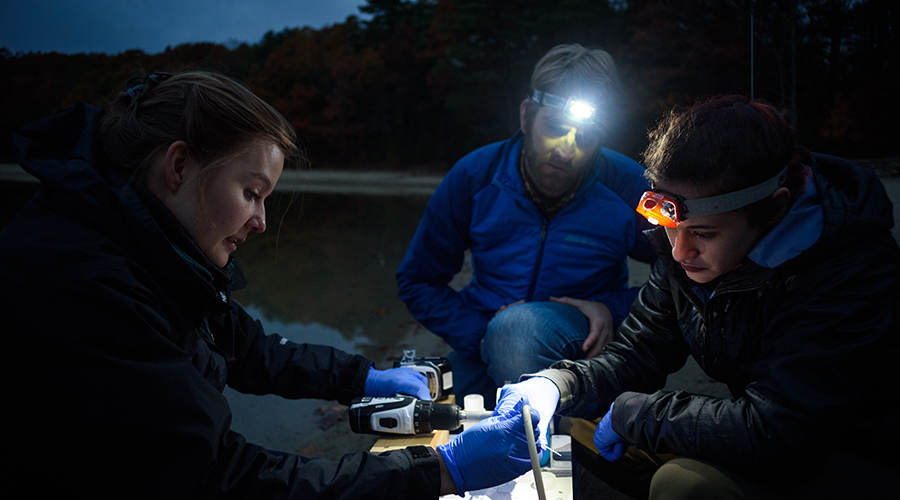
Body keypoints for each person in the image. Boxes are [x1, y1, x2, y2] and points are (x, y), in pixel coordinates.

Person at [1, 70, 538, 499]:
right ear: (180, 165)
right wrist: (437, 471)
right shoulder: (83, 287)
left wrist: (364, 378)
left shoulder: (148, 249)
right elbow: (218, 478)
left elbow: (248, 348)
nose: (260, 221)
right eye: (251, 192)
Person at [494, 95, 900, 498]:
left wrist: (637, 414)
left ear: (775, 211)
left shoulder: (848, 269)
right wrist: (557, 384)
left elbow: (784, 432)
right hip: (772, 431)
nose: (679, 251)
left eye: (704, 234)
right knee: (571, 418)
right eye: (670, 227)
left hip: (848, 452)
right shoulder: (687, 253)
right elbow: (639, 354)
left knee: (684, 486)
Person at [397, 44, 656, 410]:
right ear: (526, 116)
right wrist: (480, 334)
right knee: (417, 406)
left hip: (587, 345)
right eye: (554, 127)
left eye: (584, 136)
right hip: (486, 338)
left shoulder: (631, 187)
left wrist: (612, 309)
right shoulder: (475, 176)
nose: (566, 150)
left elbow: (685, 275)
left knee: (518, 334)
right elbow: (418, 279)